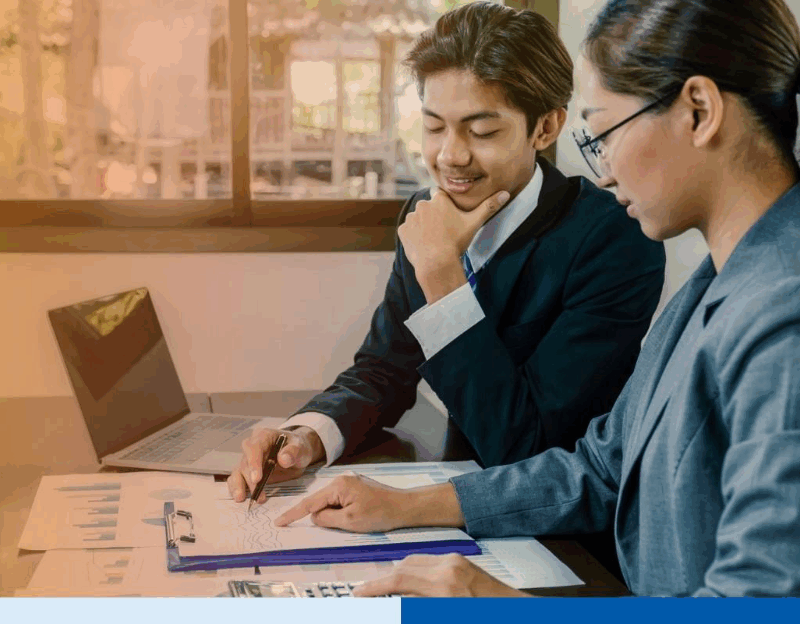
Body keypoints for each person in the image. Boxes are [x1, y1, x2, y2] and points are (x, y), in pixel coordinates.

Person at [275, 0, 800, 597]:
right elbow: (599, 469)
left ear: (699, 112)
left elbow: (759, 605)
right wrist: (406, 505)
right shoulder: (717, 281)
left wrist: (499, 603)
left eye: (605, 131)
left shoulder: (784, 313)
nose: (601, 170)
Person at [228, 3, 665, 499]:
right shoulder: (425, 212)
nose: (450, 156)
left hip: (553, 530)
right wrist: (308, 438)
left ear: (544, 128)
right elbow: (384, 368)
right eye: (434, 127)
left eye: (482, 132)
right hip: (444, 492)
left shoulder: (612, 239)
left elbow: (529, 448)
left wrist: (442, 278)